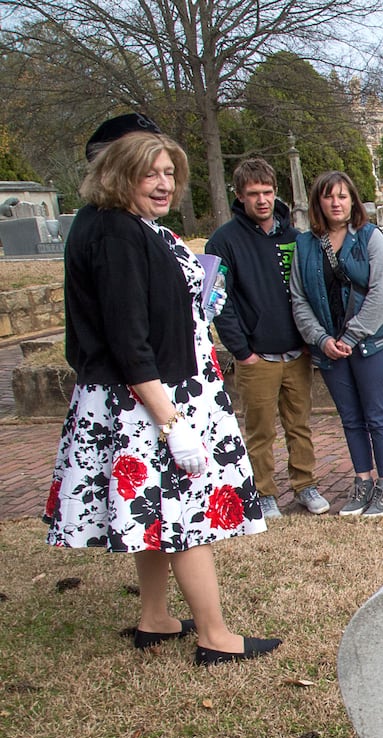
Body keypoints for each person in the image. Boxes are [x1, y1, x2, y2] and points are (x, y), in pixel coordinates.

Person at [44, 127, 280, 665]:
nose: (163, 183)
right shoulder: (116, 233)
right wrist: (172, 422)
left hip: (146, 393)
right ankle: (215, 636)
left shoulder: (125, 226)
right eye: (149, 172)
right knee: (184, 515)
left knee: (152, 513)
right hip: (148, 400)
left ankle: (155, 617)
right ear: (118, 174)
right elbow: (129, 340)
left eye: (170, 172)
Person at [205, 157, 328, 519]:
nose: (262, 200)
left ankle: (305, 485)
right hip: (256, 357)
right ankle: (263, 492)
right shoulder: (224, 241)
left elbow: (310, 289)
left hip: (297, 352)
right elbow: (218, 299)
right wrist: (242, 351)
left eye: (268, 192)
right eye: (253, 194)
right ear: (240, 196)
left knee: (299, 424)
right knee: (259, 430)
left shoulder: (294, 238)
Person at [290, 170, 383, 517]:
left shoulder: (369, 237)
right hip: (329, 346)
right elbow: (299, 298)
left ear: (353, 199)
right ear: (318, 202)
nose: (336, 203)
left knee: (376, 416)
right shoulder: (306, 245)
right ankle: (362, 479)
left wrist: (352, 335)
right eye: (329, 196)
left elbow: (382, 293)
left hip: (371, 342)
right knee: (350, 418)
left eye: (342, 196)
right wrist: (321, 339)